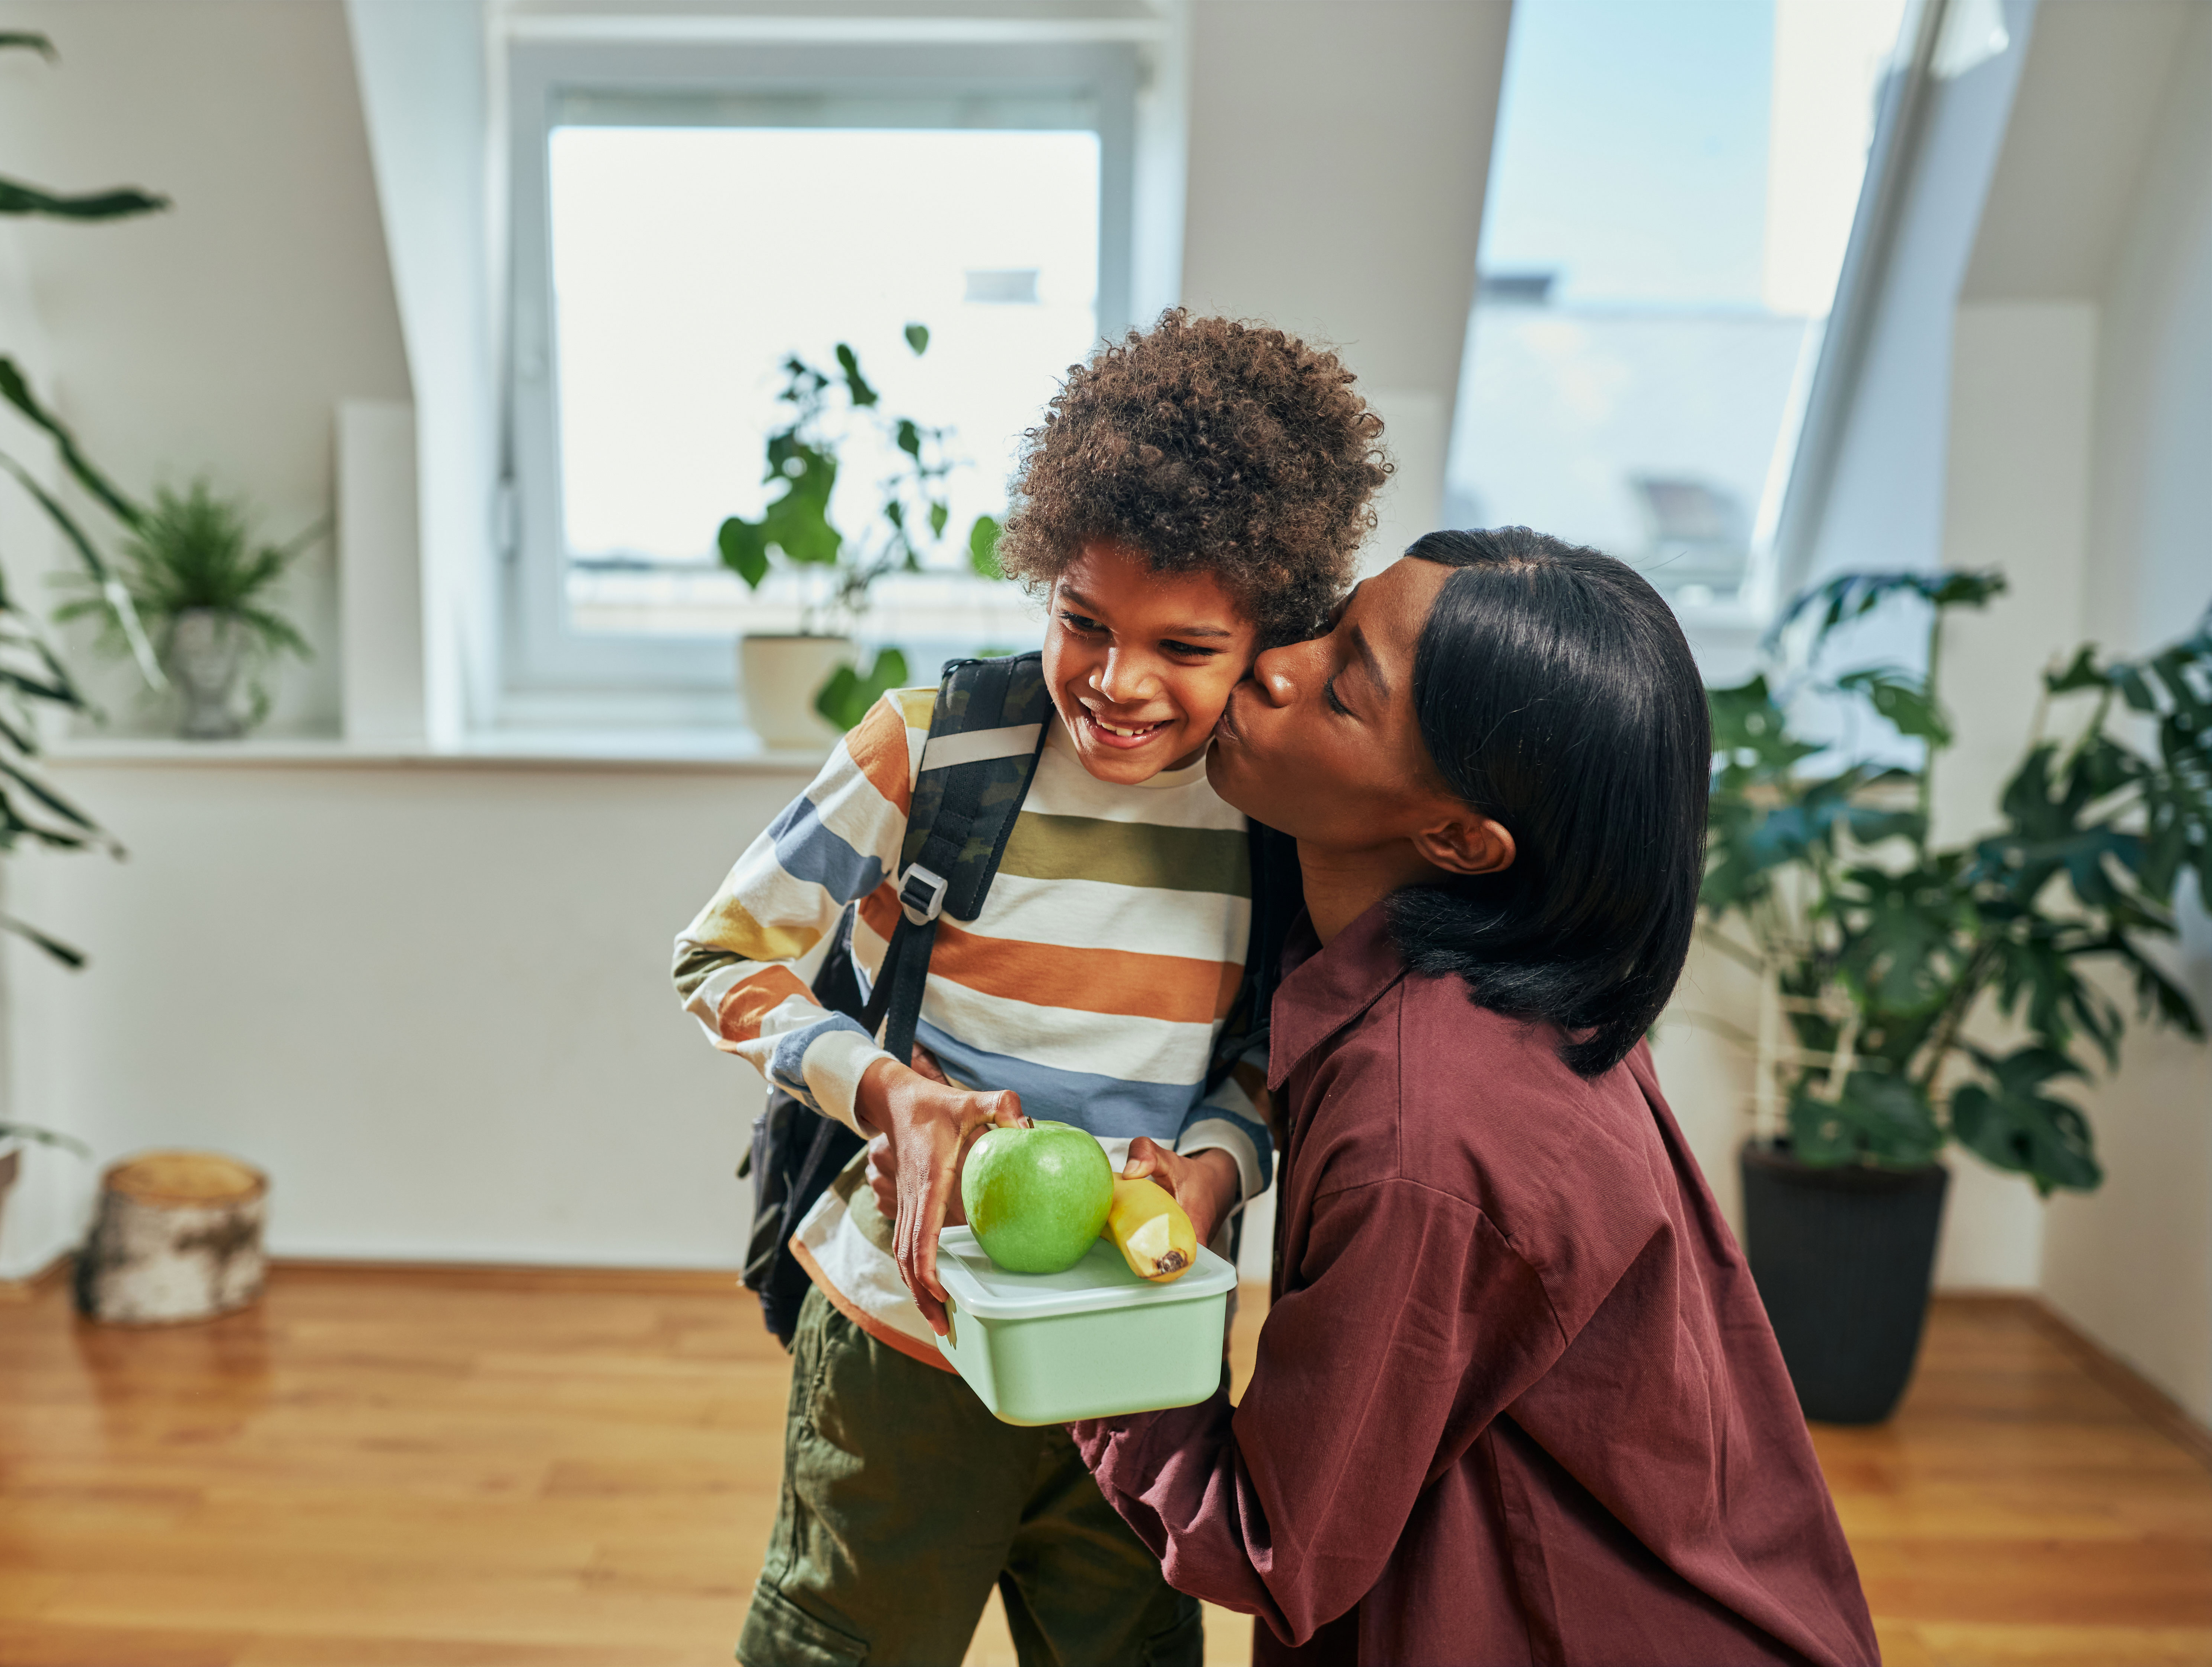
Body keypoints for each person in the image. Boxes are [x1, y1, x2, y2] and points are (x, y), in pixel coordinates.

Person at [673, 311, 1390, 1666]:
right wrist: (884, 1090)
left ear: (1267, 643)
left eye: (1185, 649)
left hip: (1140, 1361)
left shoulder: (1272, 819)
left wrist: (1218, 1174)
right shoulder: (936, 747)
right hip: (903, 1339)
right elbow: (718, 959)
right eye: (1084, 623)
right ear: (1045, 577)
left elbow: (1265, 1057)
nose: (1117, 685)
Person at [1075, 528, 1882, 1666]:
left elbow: (1270, 1548)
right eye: (1332, 624)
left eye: (1343, 689)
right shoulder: (1488, 982)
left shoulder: (1428, 1125)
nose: (1275, 664)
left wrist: (1087, 1304)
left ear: (1459, 837)